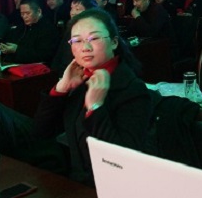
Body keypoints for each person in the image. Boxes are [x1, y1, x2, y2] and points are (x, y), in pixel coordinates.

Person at [34, 9, 152, 185]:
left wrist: (95, 108)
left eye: (94, 38)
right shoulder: (80, 81)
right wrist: (60, 90)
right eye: (77, 41)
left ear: (114, 42)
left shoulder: (132, 89)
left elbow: (122, 161)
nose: (85, 48)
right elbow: (41, 131)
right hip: (77, 183)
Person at [0, 0, 60, 64]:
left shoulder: (48, 29)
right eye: (22, 13)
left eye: (27, 13)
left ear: (39, 11)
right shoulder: (21, 27)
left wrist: (17, 50)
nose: (24, 16)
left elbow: (44, 55)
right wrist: (5, 47)